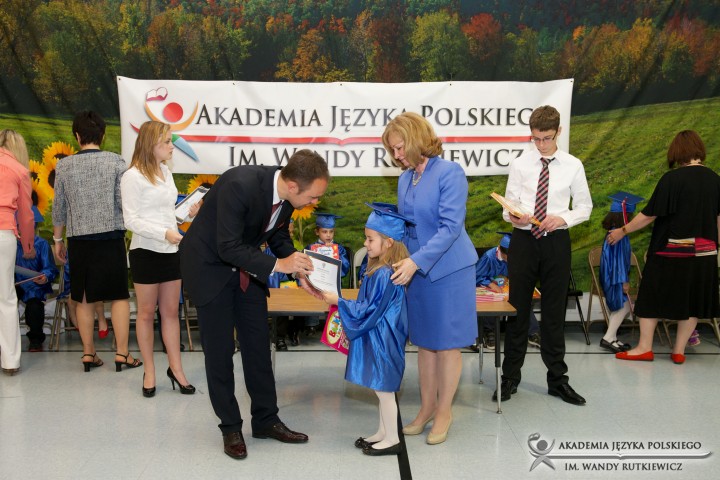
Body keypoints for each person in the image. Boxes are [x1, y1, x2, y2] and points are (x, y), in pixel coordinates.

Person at [179, 148, 329, 460]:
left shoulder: (285, 196)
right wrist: (279, 265)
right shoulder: (240, 185)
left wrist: (296, 265)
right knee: (220, 353)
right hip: (211, 269)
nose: (315, 202)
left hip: (247, 269)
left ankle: (265, 420)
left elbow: (277, 236)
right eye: (313, 197)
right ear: (293, 186)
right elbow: (227, 246)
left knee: (258, 346)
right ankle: (230, 427)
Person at [383, 112, 478, 445]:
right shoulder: (405, 179)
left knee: (447, 345)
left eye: (400, 148)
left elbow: (450, 228)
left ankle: (444, 412)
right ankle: (425, 409)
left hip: (449, 270)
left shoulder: (449, 173)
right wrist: (391, 252)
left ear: (416, 140)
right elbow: (407, 226)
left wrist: (415, 261)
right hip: (416, 270)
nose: (397, 155)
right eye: (392, 150)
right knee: (424, 344)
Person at [498, 105, 592, 405]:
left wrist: (563, 218)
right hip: (524, 241)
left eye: (547, 138)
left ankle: (558, 380)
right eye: (536, 138)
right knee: (517, 311)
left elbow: (585, 207)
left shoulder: (573, 165)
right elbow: (507, 207)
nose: (540, 144)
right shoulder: (520, 164)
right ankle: (510, 378)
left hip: (556, 242)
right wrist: (515, 217)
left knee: (554, 313)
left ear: (558, 132)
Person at [609, 130, 720, 364]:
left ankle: (644, 348)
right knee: (693, 301)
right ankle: (679, 351)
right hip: (705, 252)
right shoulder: (715, 179)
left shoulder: (672, 179)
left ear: (677, 152)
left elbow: (650, 214)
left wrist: (622, 231)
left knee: (650, 296)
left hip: (672, 250)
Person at [52, 111, 141, 373]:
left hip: (79, 239)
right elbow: (123, 202)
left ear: (77, 136)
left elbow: (59, 208)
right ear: (102, 135)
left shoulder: (64, 166)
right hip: (111, 237)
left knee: (83, 297)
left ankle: (88, 353)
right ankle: (122, 354)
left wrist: (57, 239)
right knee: (119, 296)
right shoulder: (116, 162)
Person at [320, 204, 411, 456]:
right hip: (379, 334)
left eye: (370, 239)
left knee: (384, 391)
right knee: (380, 387)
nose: (365, 243)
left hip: (385, 337)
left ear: (389, 242)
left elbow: (369, 309)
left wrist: (339, 301)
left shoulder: (384, 274)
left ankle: (392, 439)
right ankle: (383, 432)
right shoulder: (378, 269)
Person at [121, 121, 194, 397]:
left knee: (171, 313)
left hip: (170, 251)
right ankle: (149, 371)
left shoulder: (166, 172)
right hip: (146, 251)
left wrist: (187, 212)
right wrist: (164, 233)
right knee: (145, 313)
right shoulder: (132, 177)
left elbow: (168, 213)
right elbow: (131, 220)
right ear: (151, 144)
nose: (172, 146)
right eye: (166, 142)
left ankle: (176, 369)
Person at [0, 129, 35, 375]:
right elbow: (26, 214)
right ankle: (10, 362)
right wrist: (28, 245)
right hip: (4, 233)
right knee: (6, 298)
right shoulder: (19, 170)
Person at [472, 232, 541, 352]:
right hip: (488, 287)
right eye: (507, 257)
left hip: (508, 288)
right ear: (500, 249)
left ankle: (533, 333)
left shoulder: (518, 256)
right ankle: (489, 332)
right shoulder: (489, 257)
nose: (510, 259)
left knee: (523, 299)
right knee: (492, 301)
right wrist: (491, 284)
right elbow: (476, 275)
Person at [598, 192, 644, 353]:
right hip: (615, 276)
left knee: (621, 306)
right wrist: (624, 280)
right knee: (623, 306)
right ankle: (608, 338)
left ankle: (612, 337)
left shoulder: (613, 232)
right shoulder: (618, 235)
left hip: (611, 275)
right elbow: (618, 260)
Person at [15, 206, 59, 352]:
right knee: (5, 303)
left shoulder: (42, 244)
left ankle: (35, 339)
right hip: (15, 284)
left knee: (34, 306)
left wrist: (44, 276)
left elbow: (50, 268)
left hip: (35, 285)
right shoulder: (11, 244)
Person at [301, 213, 351, 335]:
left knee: (334, 299)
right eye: (324, 232)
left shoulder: (339, 249)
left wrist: (334, 255)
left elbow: (345, 267)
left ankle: (333, 327)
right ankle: (311, 325)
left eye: (331, 232)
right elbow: (303, 266)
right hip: (314, 282)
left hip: (333, 282)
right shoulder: (311, 248)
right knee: (312, 297)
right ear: (317, 232)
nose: (328, 235)